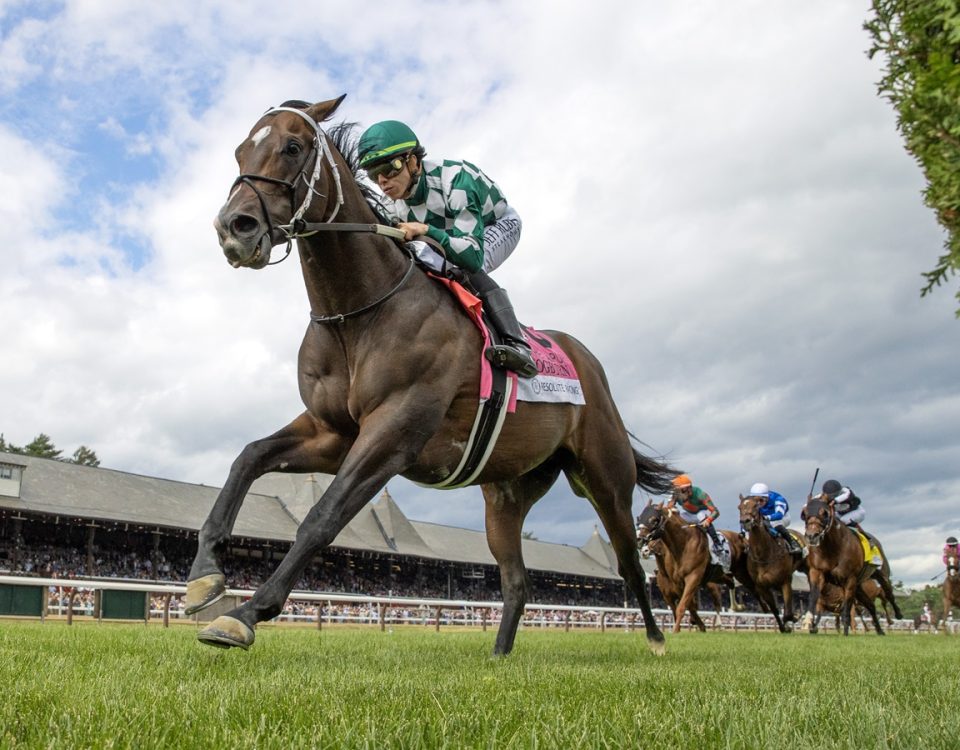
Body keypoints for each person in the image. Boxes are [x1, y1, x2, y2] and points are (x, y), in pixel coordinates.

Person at [357, 120, 537, 378]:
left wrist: (427, 230)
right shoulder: (389, 206)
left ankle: (518, 345)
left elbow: (472, 256)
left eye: (389, 167)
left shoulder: (456, 179)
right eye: (374, 175)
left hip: (494, 226)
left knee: (462, 266)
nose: (383, 181)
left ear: (413, 161)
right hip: (452, 235)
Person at [666, 474, 725, 555]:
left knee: (701, 515)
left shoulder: (700, 494)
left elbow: (716, 511)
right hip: (690, 514)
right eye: (676, 491)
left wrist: (708, 520)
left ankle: (717, 544)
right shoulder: (676, 495)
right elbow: (668, 509)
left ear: (688, 489)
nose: (677, 493)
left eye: (679, 490)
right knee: (679, 518)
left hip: (703, 513)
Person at [746, 482, 801, 555]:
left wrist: (766, 518)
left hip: (782, 517)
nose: (758, 503)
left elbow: (779, 515)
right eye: (756, 500)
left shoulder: (778, 499)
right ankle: (748, 547)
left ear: (767, 497)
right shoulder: (751, 502)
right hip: (763, 519)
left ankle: (793, 545)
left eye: (761, 500)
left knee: (775, 523)